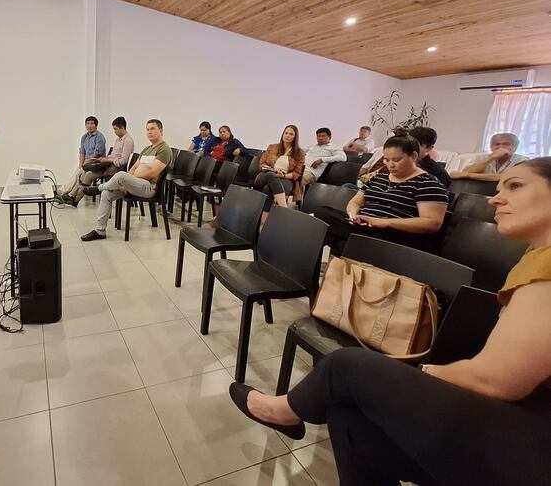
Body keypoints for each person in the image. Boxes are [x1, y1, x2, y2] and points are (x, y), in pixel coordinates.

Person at [229, 157, 551, 486]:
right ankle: (293, 409)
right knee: (347, 417)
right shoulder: (537, 256)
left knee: (348, 367)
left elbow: (495, 381)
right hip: (525, 423)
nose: (495, 198)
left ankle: (287, 410)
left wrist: (419, 375)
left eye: (515, 186)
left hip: (536, 446)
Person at [316, 134, 448, 256]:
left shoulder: (428, 183)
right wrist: (353, 215)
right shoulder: (380, 177)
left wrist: (384, 222)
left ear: (413, 156)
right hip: (363, 227)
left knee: (331, 233)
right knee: (322, 213)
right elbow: (355, 202)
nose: (390, 165)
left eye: (396, 160)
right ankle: (349, 255)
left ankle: (347, 257)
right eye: (386, 160)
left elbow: (432, 223)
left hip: (392, 234)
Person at [80, 119, 172, 241]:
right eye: (147, 129)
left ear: (161, 130)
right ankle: (100, 230)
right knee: (107, 193)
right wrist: (127, 182)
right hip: (136, 184)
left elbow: (153, 173)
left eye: (153, 129)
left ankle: (98, 188)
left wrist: (128, 180)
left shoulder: (164, 149)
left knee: (121, 175)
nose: (149, 132)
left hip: (148, 187)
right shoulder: (146, 149)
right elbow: (134, 168)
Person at [61, 116, 133, 206]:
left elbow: (123, 161)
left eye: (115, 129)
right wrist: (105, 159)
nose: (114, 132)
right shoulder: (118, 140)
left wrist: (108, 160)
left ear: (122, 127)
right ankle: (72, 196)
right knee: (83, 173)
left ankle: (75, 199)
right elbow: (113, 156)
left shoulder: (128, 141)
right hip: (108, 164)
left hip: (116, 168)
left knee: (88, 175)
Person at [253, 124, 305, 223]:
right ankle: (284, 209)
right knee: (270, 175)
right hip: (265, 175)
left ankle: (263, 223)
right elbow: (262, 164)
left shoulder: (299, 153)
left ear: (295, 137)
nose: (287, 135)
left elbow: (297, 173)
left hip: (285, 179)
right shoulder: (272, 147)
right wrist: (274, 170)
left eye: (291, 134)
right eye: (286, 133)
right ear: (282, 134)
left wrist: (284, 175)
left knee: (267, 189)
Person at [59, 116, 107, 202]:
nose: (89, 125)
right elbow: (82, 152)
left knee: (78, 175)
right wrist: (81, 164)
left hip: (95, 163)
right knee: (77, 174)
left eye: (92, 123)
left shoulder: (100, 137)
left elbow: (97, 154)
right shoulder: (84, 137)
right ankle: (68, 194)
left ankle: (64, 193)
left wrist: (85, 164)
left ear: (96, 125)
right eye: (87, 123)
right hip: (86, 163)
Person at [451, 132, 528, 181]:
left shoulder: (523, 160)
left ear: (515, 147)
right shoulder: (481, 157)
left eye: (506, 144)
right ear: (491, 147)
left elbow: (506, 178)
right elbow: (466, 171)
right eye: (496, 144)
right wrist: (492, 157)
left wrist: (469, 175)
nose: (500, 147)